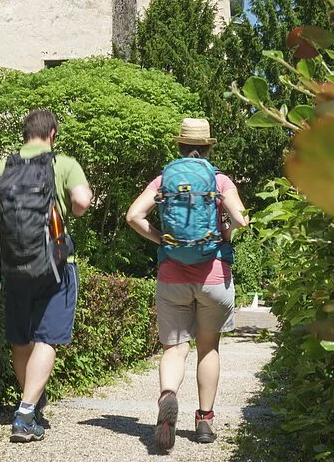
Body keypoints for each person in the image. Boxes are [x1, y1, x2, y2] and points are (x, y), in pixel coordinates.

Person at [125, 118, 249, 451]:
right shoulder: (219, 180)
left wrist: (160, 240)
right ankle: (205, 421)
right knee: (208, 347)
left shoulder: (165, 178)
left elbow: (133, 215)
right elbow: (240, 218)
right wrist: (225, 234)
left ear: (179, 146)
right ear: (209, 146)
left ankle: (168, 396)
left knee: (175, 347)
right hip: (214, 274)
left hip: (172, 274)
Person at [0, 108, 92, 443]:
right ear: (52, 134)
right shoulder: (64, 164)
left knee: (20, 338)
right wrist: (72, 208)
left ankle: (30, 401)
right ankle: (26, 412)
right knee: (48, 337)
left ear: (24, 134)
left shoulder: (2, 166)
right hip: (57, 264)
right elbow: (82, 202)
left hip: (13, 266)